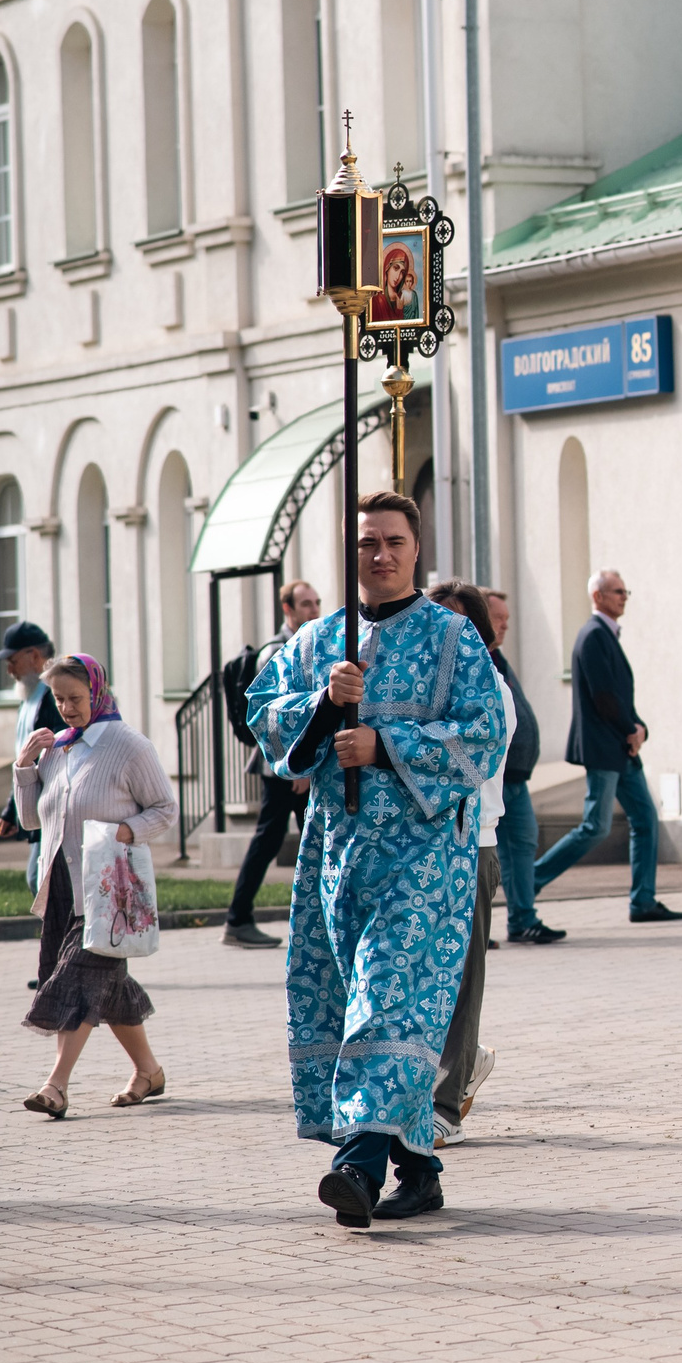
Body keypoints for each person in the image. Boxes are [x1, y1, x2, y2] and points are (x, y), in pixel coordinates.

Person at [247, 492, 508, 1226]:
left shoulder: (455, 638)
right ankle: (418, 1169)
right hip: (339, 855)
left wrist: (387, 747)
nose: (382, 555)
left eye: (394, 541)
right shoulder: (317, 640)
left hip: (427, 862)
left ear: (416, 548)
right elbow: (263, 710)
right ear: (350, 551)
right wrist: (327, 705)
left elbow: (487, 734)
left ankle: (356, 1165)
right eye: (367, 544)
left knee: (385, 998)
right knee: (362, 1000)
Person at [13, 653, 178, 1118]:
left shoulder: (128, 746)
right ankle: (149, 1071)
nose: (66, 708)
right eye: (59, 699)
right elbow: (32, 820)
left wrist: (123, 831)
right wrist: (25, 767)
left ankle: (56, 1086)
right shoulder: (58, 748)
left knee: (78, 982)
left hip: (107, 890)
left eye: (75, 698)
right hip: (60, 887)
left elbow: (164, 810)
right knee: (104, 983)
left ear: (98, 693)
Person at [531, 568, 682, 925]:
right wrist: (631, 728)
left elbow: (617, 694)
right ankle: (530, 880)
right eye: (617, 591)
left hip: (621, 748)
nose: (623, 596)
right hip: (606, 748)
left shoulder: (606, 635)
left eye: (625, 591)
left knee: (645, 819)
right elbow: (603, 697)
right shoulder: (594, 635)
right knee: (595, 827)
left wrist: (637, 727)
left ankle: (643, 901)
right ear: (597, 596)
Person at [427, 580, 507, 1144]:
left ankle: (447, 1104)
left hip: (470, 845)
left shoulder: (491, 689)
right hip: (420, 849)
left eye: (456, 626)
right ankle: (466, 1055)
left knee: (461, 979)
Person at [223, 581, 322, 950]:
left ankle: (311, 921)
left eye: (316, 603)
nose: (313, 610)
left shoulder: (308, 644)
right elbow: (277, 715)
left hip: (297, 765)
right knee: (272, 838)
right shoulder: (278, 652)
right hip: (287, 766)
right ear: (288, 610)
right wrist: (300, 766)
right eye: (306, 604)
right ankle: (238, 918)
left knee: (306, 837)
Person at [483, 590, 559, 944]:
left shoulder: (497, 657)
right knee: (496, 855)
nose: (505, 626)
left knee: (523, 845)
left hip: (515, 777)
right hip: (494, 778)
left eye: (507, 619)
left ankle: (523, 919)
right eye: (499, 618)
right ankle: (477, 928)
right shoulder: (478, 659)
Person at [0, 620, 54, 898]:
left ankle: (67, 937)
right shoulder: (29, 698)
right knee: (38, 879)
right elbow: (22, 759)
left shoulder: (52, 697)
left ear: (34, 656)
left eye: (12, 660)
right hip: (33, 803)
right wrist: (11, 811)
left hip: (51, 803)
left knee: (39, 879)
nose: (9, 670)